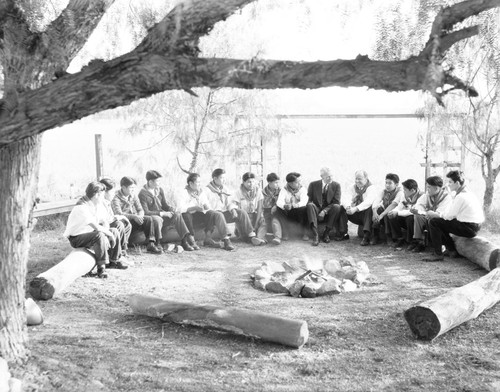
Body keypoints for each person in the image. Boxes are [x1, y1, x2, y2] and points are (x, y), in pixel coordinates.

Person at [423, 170, 484, 262]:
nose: (448, 184)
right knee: (439, 222)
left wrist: (435, 214)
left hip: (469, 227)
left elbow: (449, 216)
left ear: (457, 183)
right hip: (474, 226)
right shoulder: (466, 193)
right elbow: (450, 213)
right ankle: (451, 250)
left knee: (434, 222)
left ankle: (438, 254)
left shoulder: (461, 196)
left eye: (450, 182)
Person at [63, 181, 119, 278]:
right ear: (96, 195)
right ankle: (101, 268)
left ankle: (113, 261)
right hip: (76, 237)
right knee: (100, 234)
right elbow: (96, 227)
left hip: (89, 233)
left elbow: (104, 221)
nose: (103, 197)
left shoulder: (95, 204)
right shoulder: (81, 206)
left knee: (114, 231)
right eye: (102, 195)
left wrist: (108, 233)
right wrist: (108, 234)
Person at [138, 170, 197, 251]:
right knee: (157, 219)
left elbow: (164, 205)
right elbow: (146, 212)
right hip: (152, 219)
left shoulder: (159, 190)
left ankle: (184, 241)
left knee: (177, 214)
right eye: (157, 181)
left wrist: (171, 209)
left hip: (163, 215)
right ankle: (157, 243)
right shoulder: (142, 194)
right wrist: (163, 214)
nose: (159, 183)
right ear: (150, 182)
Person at [180, 173, 234, 251]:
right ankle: (191, 240)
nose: (199, 184)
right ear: (190, 183)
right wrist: (194, 208)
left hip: (200, 216)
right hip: (189, 218)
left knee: (216, 214)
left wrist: (206, 206)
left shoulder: (201, 192)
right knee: (186, 214)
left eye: (200, 182)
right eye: (197, 182)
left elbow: (207, 206)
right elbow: (180, 208)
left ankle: (225, 240)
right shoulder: (184, 193)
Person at [111, 176, 163, 254]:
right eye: (131, 188)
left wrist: (140, 216)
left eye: (134, 188)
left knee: (148, 219)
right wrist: (134, 216)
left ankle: (151, 243)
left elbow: (140, 209)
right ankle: (124, 246)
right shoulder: (116, 198)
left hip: (133, 219)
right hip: (123, 222)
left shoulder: (133, 195)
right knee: (126, 222)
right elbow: (118, 214)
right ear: (123, 187)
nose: (133, 190)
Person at [205, 168, 256, 242]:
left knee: (241, 212)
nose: (224, 180)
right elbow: (206, 207)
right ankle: (226, 239)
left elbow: (229, 202)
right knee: (219, 214)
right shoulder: (207, 190)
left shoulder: (224, 189)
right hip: (212, 215)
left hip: (222, 214)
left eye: (225, 178)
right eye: (222, 178)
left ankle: (251, 236)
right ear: (215, 178)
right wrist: (216, 211)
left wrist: (232, 209)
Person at [407, 175, 452, 253]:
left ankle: (438, 246)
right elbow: (419, 204)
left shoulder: (446, 197)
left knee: (433, 220)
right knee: (416, 216)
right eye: (427, 187)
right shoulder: (427, 195)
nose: (427, 190)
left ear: (436, 188)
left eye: (429, 187)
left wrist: (424, 212)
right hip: (428, 216)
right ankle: (419, 242)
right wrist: (418, 210)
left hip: (441, 219)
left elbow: (439, 213)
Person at [337, 170, 377, 245]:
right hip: (354, 213)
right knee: (342, 207)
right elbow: (346, 198)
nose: (357, 181)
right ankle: (344, 233)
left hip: (365, 216)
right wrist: (348, 207)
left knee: (369, 207)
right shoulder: (352, 187)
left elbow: (368, 201)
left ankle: (366, 236)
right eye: (356, 178)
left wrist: (355, 209)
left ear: (366, 178)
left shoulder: (371, 188)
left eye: (360, 179)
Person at [99, 177, 132, 263]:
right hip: (100, 226)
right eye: (112, 192)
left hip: (106, 223)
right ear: (105, 192)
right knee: (119, 224)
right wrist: (119, 217)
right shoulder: (100, 202)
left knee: (125, 224)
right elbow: (104, 219)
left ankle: (122, 251)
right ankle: (114, 256)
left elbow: (110, 216)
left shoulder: (107, 201)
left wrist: (119, 217)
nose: (114, 194)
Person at [306, 167, 342, 246]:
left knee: (337, 206)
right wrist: (317, 211)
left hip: (329, 211)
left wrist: (324, 211)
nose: (330, 178)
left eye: (332, 176)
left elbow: (337, 201)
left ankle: (326, 233)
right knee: (310, 205)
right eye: (328, 176)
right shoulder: (313, 184)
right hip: (316, 209)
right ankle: (316, 235)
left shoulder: (336, 185)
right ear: (322, 176)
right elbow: (309, 200)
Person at [232, 172, 267, 246]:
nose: (251, 184)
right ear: (243, 182)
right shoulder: (238, 192)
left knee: (263, 221)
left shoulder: (258, 191)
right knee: (244, 236)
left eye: (253, 181)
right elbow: (237, 210)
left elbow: (259, 209)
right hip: (244, 218)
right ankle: (252, 238)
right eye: (249, 182)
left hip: (255, 216)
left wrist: (256, 223)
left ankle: (258, 237)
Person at [387, 179, 423, 248]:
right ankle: (399, 238)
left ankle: (412, 241)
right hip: (406, 214)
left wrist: (397, 212)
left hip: (417, 218)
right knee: (392, 216)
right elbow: (400, 206)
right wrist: (393, 211)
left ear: (412, 190)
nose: (404, 191)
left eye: (405, 190)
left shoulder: (421, 196)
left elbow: (413, 211)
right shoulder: (405, 195)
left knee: (410, 218)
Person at [371, 173, 404, 245]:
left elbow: (394, 204)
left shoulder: (400, 193)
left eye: (390, 183)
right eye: (386, 183)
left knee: (387, 213)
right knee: (378, 209)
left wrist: (382, 214)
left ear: (396, 184)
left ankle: (388, 236)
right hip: (385, 212)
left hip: (395, 214)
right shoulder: (383, 191)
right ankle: (375, 235)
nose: (387, 185)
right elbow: (377, 200)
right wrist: (374, 212)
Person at [275, 172, 308, 240]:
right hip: (289, 213)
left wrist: (295, 205)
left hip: (298, 212)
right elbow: (279, 202)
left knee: (304, 208)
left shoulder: (302, 189)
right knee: (278, 208)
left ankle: (304, 233)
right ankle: (285, 233)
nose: (299, 183)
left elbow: (304, 201)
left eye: (300, 181)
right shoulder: (284, 189)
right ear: (290, 183)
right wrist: (284, 206)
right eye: (297, 182)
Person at [262, 173, 283, 245]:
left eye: (278, 182)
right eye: (276, 182)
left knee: (275, 220)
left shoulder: (281, 191)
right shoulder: (263, 192)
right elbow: (262, 204)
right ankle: (261, 238)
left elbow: (282, 201)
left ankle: (277, 237)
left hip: (277, 210)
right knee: (264, 222)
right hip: (266, 210)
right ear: (269, 182)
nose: (278, 184)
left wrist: (276, 205)